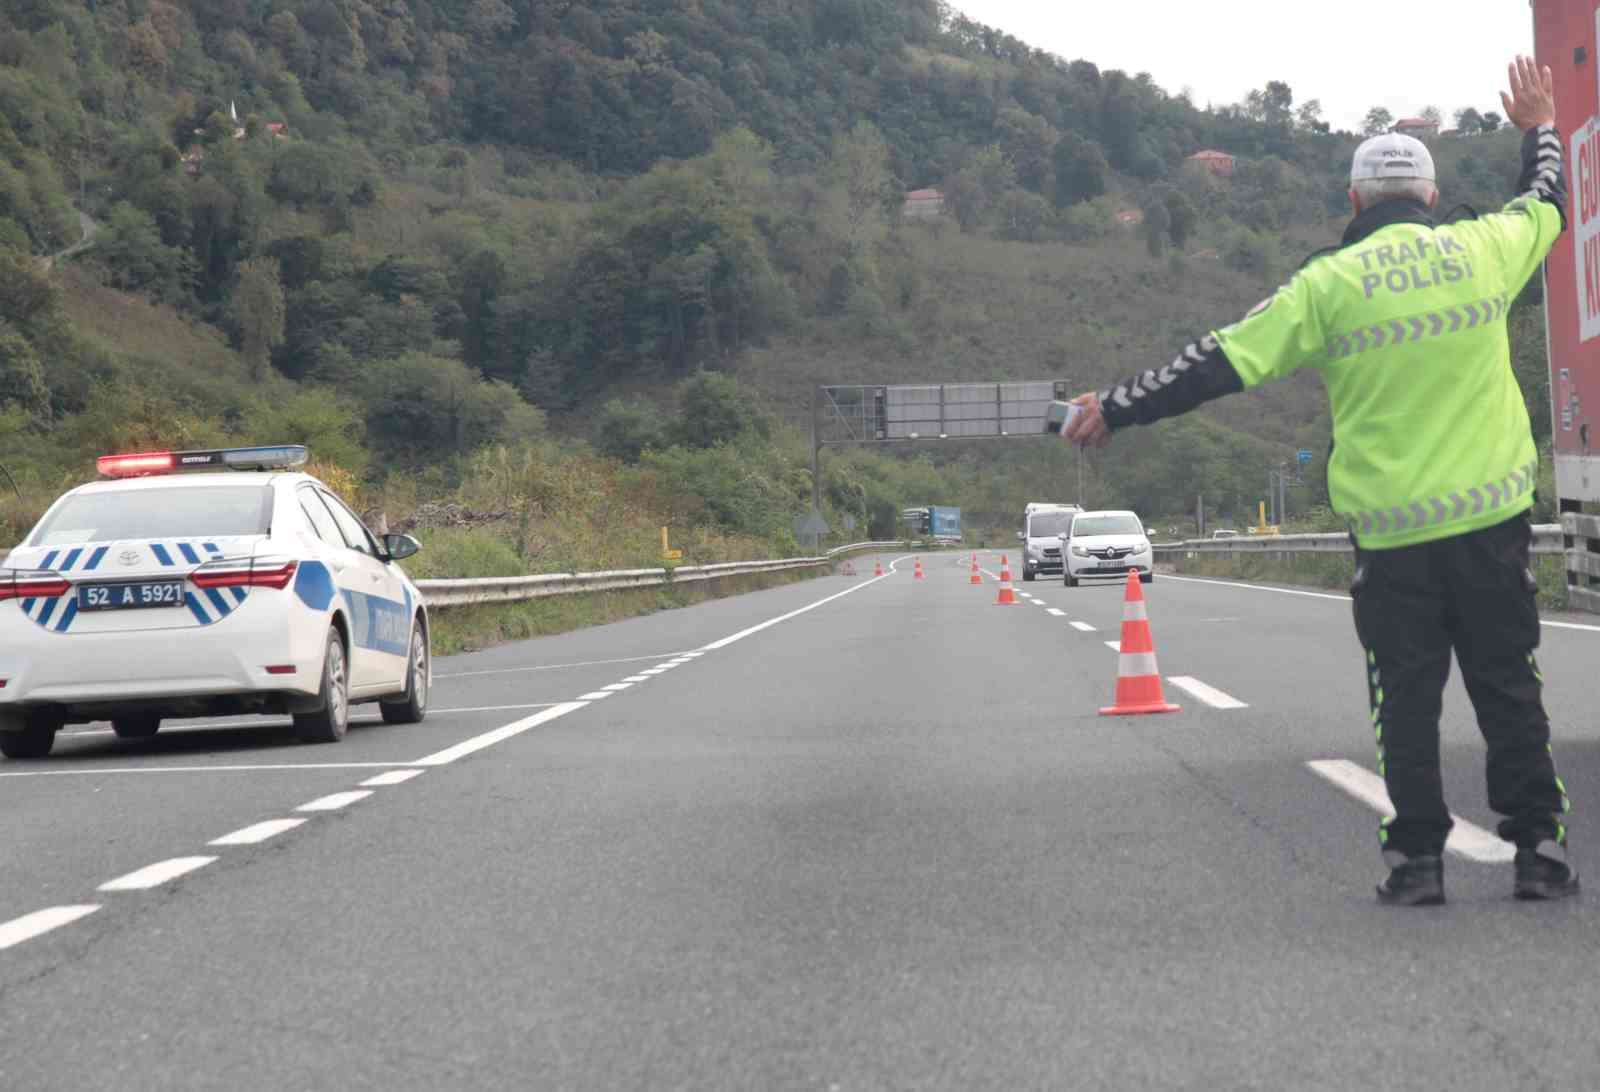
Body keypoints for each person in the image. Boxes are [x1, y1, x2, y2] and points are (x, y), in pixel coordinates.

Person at [1064, 57, 1576, 906]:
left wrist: (1115, 405)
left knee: (1404, 701)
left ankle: (1416, 865)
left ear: (1353, 205)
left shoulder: (1327, 286)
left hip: (1394, 539)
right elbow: (1549, 204)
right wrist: (1539, 126)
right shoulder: (1481, 251)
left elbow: (1217, 362)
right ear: (1433, 198)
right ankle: (1540, 855)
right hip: (1492, 525)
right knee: (1509, 686)